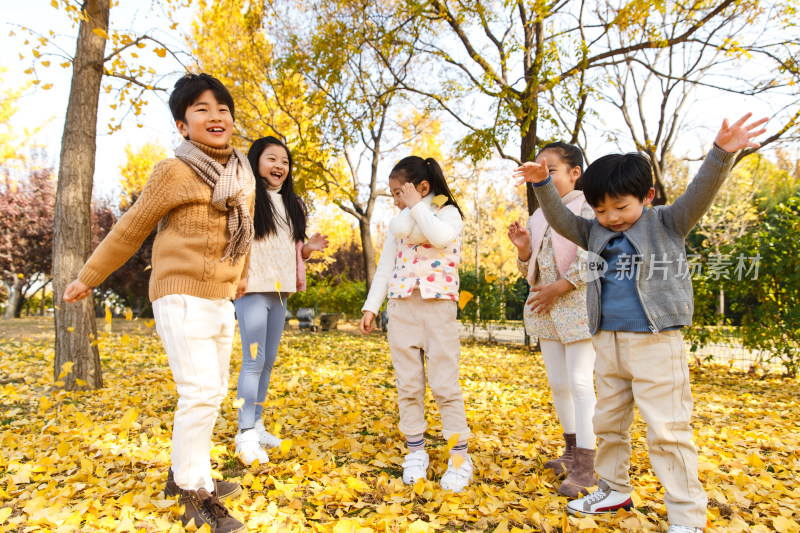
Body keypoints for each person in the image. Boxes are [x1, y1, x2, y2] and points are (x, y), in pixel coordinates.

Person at [513, 113, 767, 533]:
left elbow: (700, 193)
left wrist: (722, 152)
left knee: (667, 431)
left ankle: (686, 515)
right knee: (608, 423)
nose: (611, 217)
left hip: (654, 344)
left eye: (620, 207)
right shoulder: (593, 230)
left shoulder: (667, 222)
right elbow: (560, 219)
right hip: (607, 342)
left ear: (646, 196)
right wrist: (542, 183)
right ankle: (613, 488)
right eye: (600, 209)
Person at [63, 73, 257, 533]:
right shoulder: (173, 172)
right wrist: (89, 276)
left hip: (221, 298)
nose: (216, 117)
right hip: (180, 293)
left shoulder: (242, 173)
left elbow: (244, 234)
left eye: (223, 109)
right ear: (182, 125)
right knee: (201, 392)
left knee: (209, 394)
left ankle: (185, 472)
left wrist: (243, 276)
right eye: (202, 110)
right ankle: (195, 491)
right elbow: (130, 228)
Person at [359, 156, 472, 493]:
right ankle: (416, 451)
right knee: (408, 386)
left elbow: (439, 237)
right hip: (402, 309)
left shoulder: (448, 213)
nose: (395, 201)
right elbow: (385, 268)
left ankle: (459, 459)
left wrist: (415, 208)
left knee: (445, 386)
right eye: (393, 195)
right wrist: (371, 307)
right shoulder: (398, 225)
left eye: (399, 193)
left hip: (438, 310)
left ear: (422, 188)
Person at [507, 141, 597, 498]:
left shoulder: (589, 208)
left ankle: (587, 466)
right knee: (559, 384)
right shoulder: (538, 214)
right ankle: (571, 450)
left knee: (579, 383)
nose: (542, 176)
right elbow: (531, 269)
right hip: (546, 310)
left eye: (551, 170)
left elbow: (593, 257)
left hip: (576, 307)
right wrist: (524, 249)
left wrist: (559, 287)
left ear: (575, 173)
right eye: (538, 170)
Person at [233, 136, 328, 465]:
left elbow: (292, 251)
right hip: (252, 289)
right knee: (253, 361)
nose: (279, 166)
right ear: (256, 161)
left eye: (285, 162)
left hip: (280, 290)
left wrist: (308, 249)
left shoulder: (294, 204)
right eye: (272, 159)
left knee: (268, 362)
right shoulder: (246, 197)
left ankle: (256, 425)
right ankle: (244, 433)